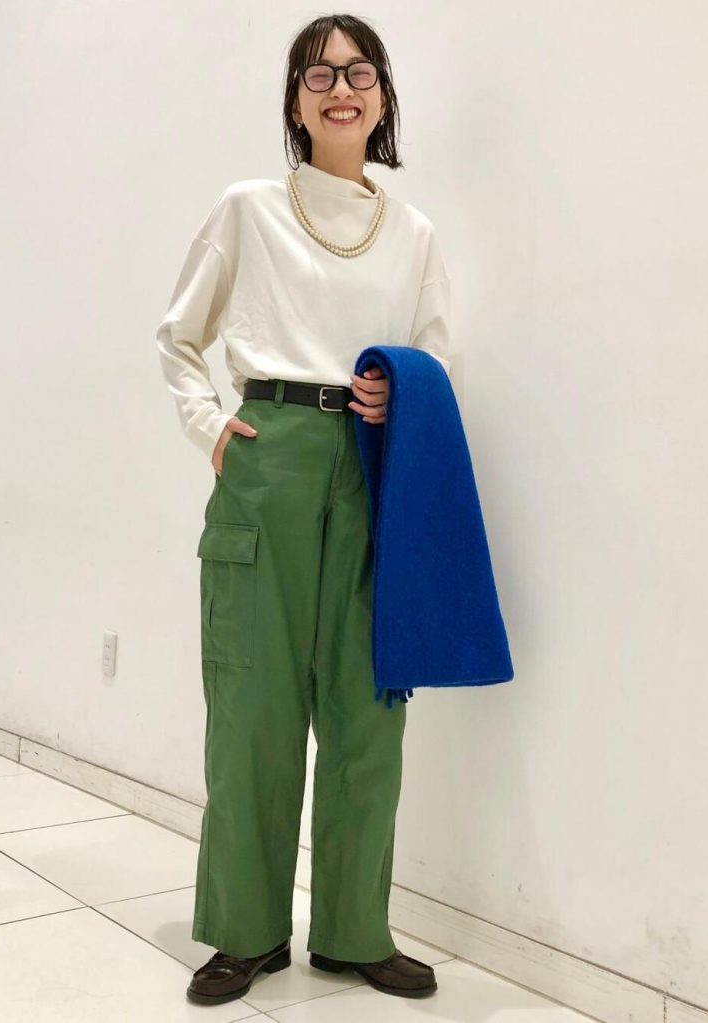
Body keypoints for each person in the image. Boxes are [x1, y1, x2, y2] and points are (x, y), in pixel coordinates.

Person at [155, 14, 452, 1006]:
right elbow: (178, 337)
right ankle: (246, 931)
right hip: (268, 452)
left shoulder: (413, 233)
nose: (340, 88)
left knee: (369, 707)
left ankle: (354, 931)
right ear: (295, 100)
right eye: (318, 75)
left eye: (358, 72)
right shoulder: (248, 208)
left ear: (383, 96)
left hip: (372, 466)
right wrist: (209, 427)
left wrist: (399, 388)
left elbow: (436, 354)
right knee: (253, 707)